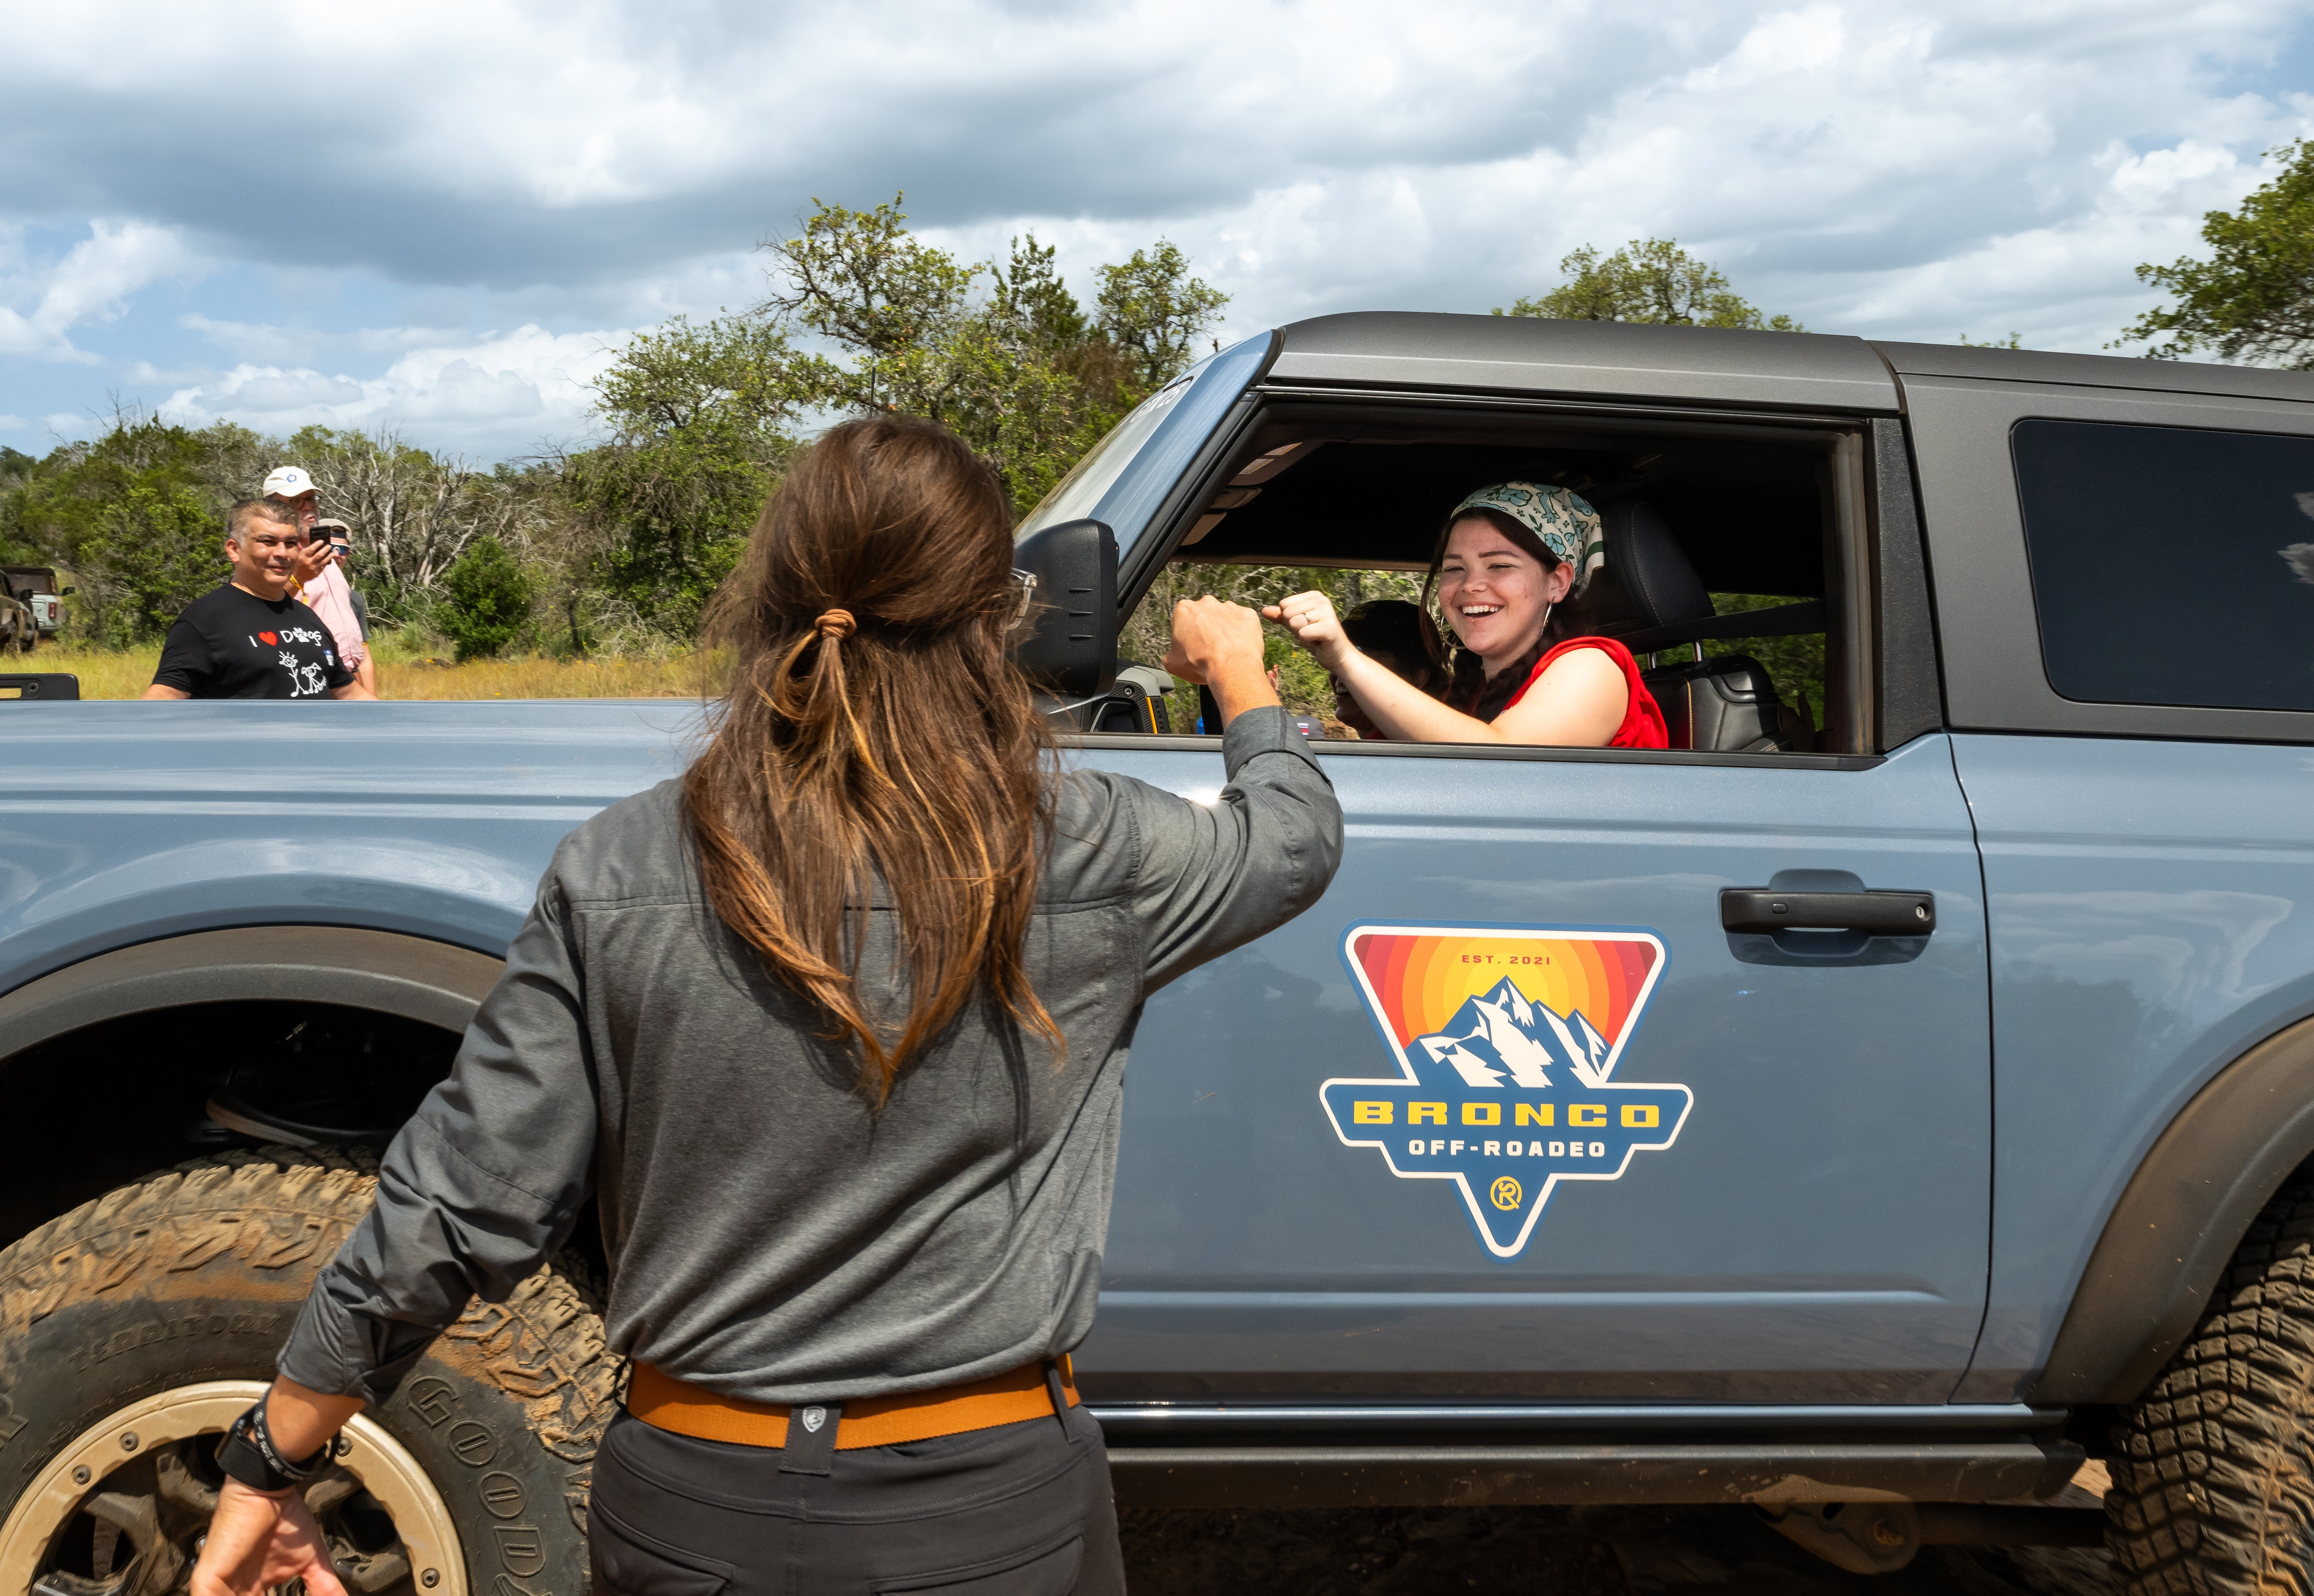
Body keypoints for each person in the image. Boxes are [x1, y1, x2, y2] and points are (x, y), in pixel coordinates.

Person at [187, 417, 1342, 1596]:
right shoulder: (1096, 850)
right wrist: (1243, 681)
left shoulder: (622, 864)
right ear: (999, 613)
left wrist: (269, 1451)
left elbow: (461, 1199)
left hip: (696, 1507)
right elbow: (1293, 841)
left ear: (776, 593)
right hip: (993, 1514)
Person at [1268, 482, 1667, 748]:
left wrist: (1348, 659)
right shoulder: (1475, 688)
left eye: (1499, 566)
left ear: (1557, 582)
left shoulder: (1592, 667)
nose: (1470, 586)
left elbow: (1498, 765)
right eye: (1455, 568)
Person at [143, 500, 374, 700]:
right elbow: (165, 695)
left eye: (291, 543)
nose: (283, 553)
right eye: (268, 542)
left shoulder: (308, 618)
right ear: (234, 550)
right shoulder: (205, 620)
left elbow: (347, 693)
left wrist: (397, 719)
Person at [261, 467, 373, 697]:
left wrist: (372, 698)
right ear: (272, 511)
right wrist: (298, 576)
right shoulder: (273, 558)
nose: (308, 506)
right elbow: (262, 611)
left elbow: (359, 644)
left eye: (311, 498)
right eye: (296, 501)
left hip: (348, 680)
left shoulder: (327, 555)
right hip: (309, 678)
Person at [1330, 599, 1448, 740]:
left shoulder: (1415, 754)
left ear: (1418, 678)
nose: (1340, 669)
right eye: (1336, 656)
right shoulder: (1383, 752)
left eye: (1361, 659)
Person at [309, 517, 376, 696]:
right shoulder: (301, 588)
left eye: (343, 550)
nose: (337, 555)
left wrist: (375, 702)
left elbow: (364, 657)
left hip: (352, 685)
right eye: (331, 548)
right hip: (318, 681)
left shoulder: (354, 598)